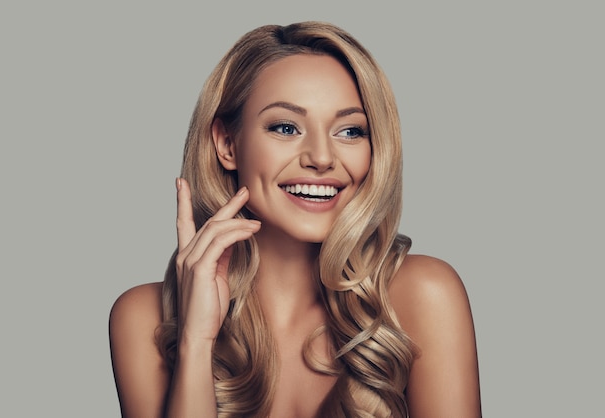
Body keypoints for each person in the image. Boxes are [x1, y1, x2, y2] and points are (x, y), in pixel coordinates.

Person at [109, 21, 481, 418]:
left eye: (350, 131)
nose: (321, 158)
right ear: (227, 144)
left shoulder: (423, 296)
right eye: (286, 127)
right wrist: (196, 343)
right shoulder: (142, 318)